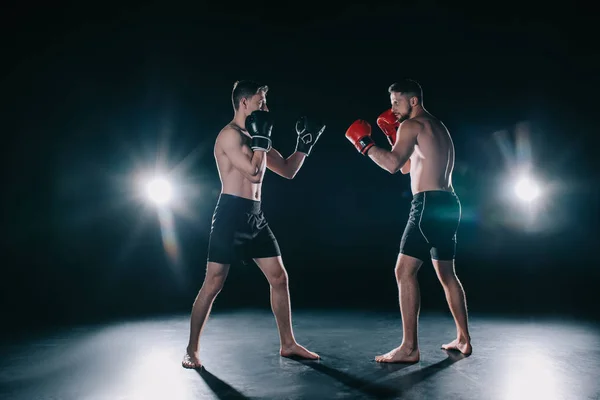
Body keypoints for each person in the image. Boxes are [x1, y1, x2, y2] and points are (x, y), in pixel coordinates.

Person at [182, 80, 324, 369]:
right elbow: (254, 174)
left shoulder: (257, 135)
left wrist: (304, 145)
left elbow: (287, 170)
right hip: (230, 215)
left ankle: (288, 344)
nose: (266, 108)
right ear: (245, 102)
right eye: (261, 102)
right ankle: (191, 350)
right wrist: (261, 140)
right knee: (213, 284)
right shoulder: (229, 136)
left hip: (255, 215)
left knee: (279, 278)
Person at [345, 79, 472, 363]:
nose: (392, 109)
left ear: (413, 101)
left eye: (396, 103)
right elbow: (406, 167)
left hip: (426, 204)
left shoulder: (411, 126)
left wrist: (364, 144)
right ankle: (463, 338)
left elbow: (391, 165)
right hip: (450, 203)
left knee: (404, 272)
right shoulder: (437, 126)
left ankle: (409, 348)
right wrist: (393, 138)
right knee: (447, 275)